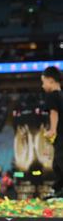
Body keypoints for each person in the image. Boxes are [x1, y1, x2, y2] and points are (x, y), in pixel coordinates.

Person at [42, 66, 63, 198]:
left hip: (61, 134)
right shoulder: (61, 95)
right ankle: (58, 190)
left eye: (43, 82)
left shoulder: (51, 96)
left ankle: (59, 190)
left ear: (50, 81)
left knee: (60, 162)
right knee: (57, 163)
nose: (42, 85)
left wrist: (52, 130)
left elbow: (54, 113)